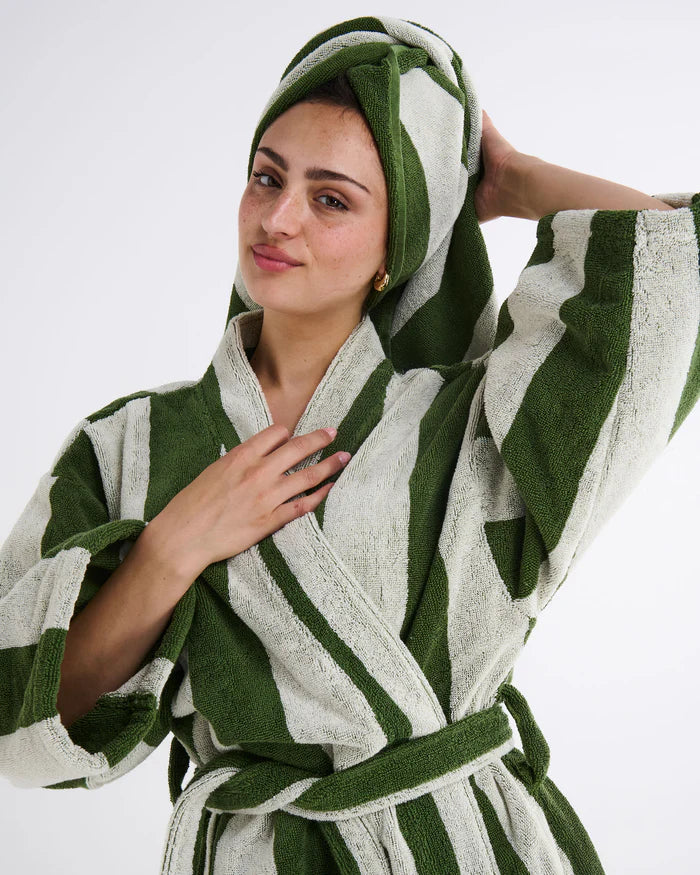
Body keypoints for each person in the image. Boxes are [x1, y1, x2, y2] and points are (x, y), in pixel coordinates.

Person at [0, 14, 697, 874]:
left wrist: (511, 181)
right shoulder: (129, 447)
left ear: (394, 247)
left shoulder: (476, 423)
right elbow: (23, 718)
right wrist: (170, 548)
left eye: (331, 199)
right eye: (266, 178)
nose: (278, 218)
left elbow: (666, 279)